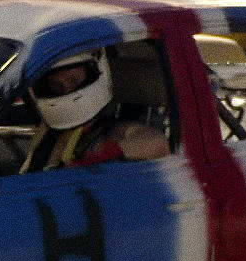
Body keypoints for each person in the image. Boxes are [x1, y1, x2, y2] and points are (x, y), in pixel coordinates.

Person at [21, 50, 170, 171]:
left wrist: (100, 157)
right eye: (56, 85)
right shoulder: (50, 128)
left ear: (94, 72)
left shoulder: (108, 128)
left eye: (73, 80)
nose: (66, 89)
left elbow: (155, 142)